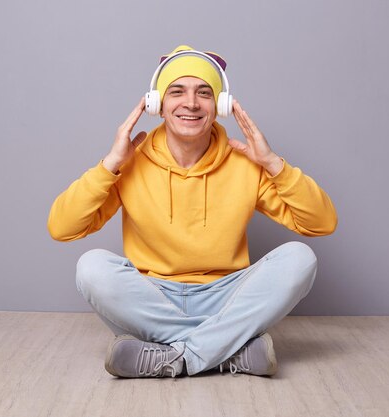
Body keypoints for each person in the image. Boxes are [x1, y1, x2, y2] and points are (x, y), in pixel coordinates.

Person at [47, 45, 337, 378]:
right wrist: (110, 165)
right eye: (177, 92)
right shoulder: (130, 161)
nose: (191, 103)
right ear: (157, 104)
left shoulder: (245, 163)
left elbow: (322, 222)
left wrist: (273, 164)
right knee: (91, 267)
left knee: (301, 258)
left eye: (204, 93)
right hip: (153, 298)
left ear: (220, 106)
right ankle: (227, 351)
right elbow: (62, 227)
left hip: (226, 296)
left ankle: (176, 358)